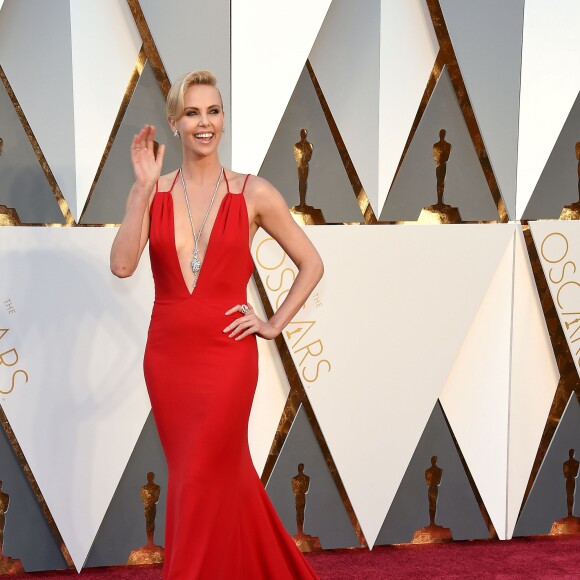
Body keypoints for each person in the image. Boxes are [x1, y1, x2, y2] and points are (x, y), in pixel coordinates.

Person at [110, 70, 323, 579]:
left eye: (213, 111)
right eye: (192, 113)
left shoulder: (254, 193)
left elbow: (312, 264)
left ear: (222, 120)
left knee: (200, 477)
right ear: (174, 124)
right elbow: (121, 265)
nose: (204, 122)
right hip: (168, 360)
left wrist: (272, 323)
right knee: (198, 477)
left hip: (228, 359)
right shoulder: (153, 192)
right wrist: (140, 190)